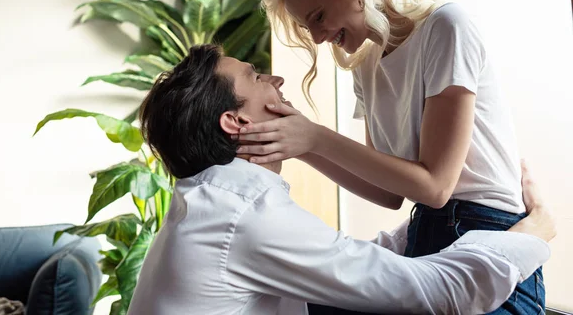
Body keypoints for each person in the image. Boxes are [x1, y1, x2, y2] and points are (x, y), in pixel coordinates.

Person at [237, 0, 547, 314]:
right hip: (427, 234)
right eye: (306, 27)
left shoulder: (447, 27)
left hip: (491, 235)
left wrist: (314, 139)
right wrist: (299, 145)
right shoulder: (365, 65)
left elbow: (435, 186)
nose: (317, 38)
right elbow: (387, 192)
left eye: (318, 17)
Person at [127, 44, 554, 315]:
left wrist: (422, 221)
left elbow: (343, 260)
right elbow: (434, 294)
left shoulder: (211, 202)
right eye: (257, 76)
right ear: (236, 122)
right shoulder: (245, 215)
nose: (276, 80)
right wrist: (533, 233)